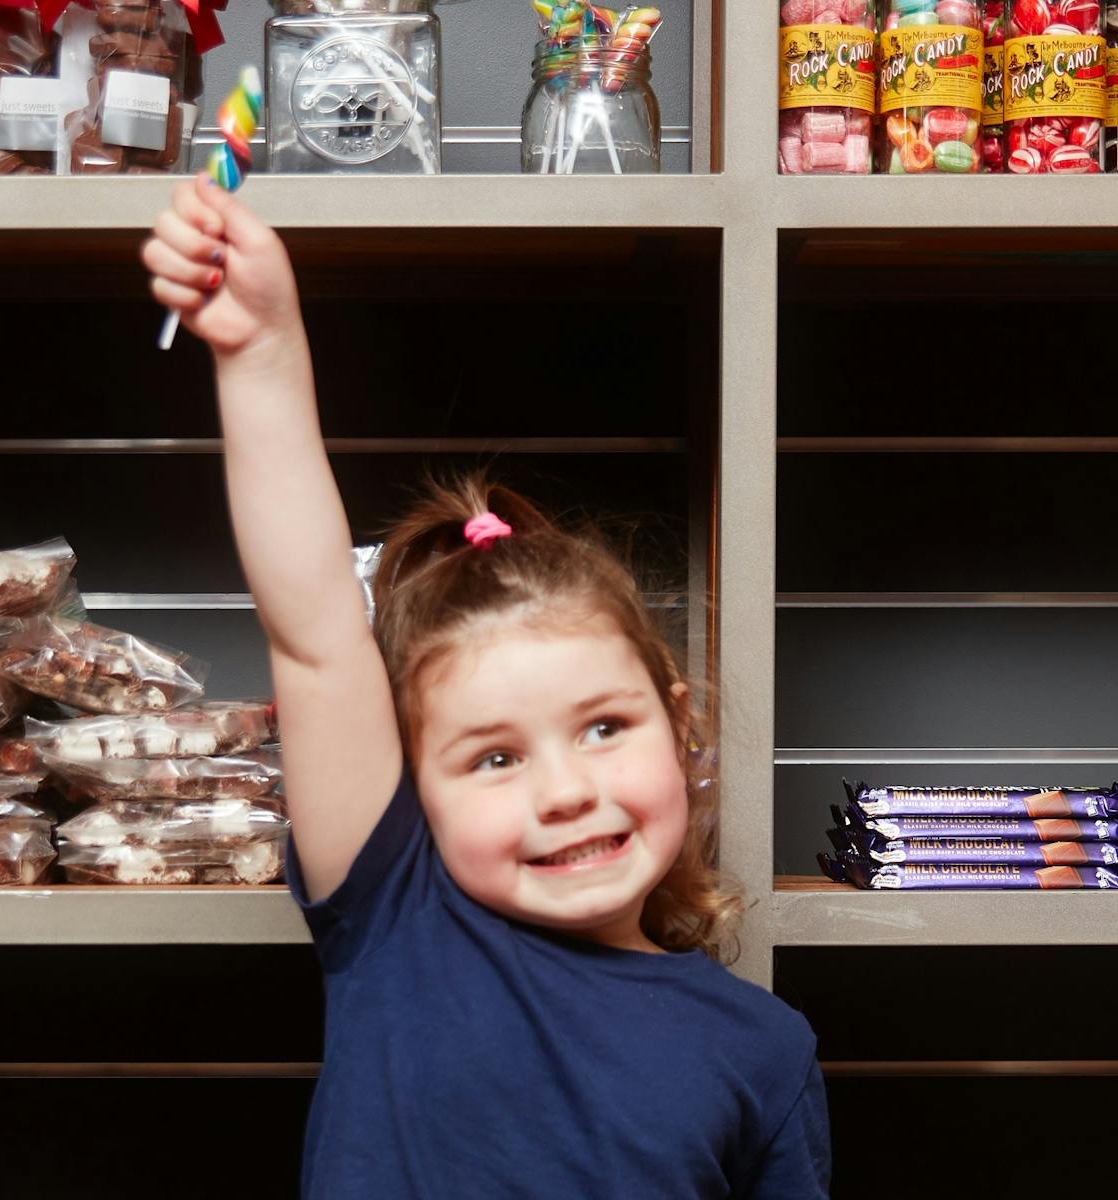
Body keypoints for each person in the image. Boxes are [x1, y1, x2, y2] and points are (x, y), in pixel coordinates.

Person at [142, 176, 831, 1199]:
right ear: (411, 789)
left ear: (679, 726)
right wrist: (259, 351)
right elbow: (318, 633)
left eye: (603, 727)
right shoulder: (397, 912)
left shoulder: (764, 1048)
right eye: (494, 757)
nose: (563, 791)